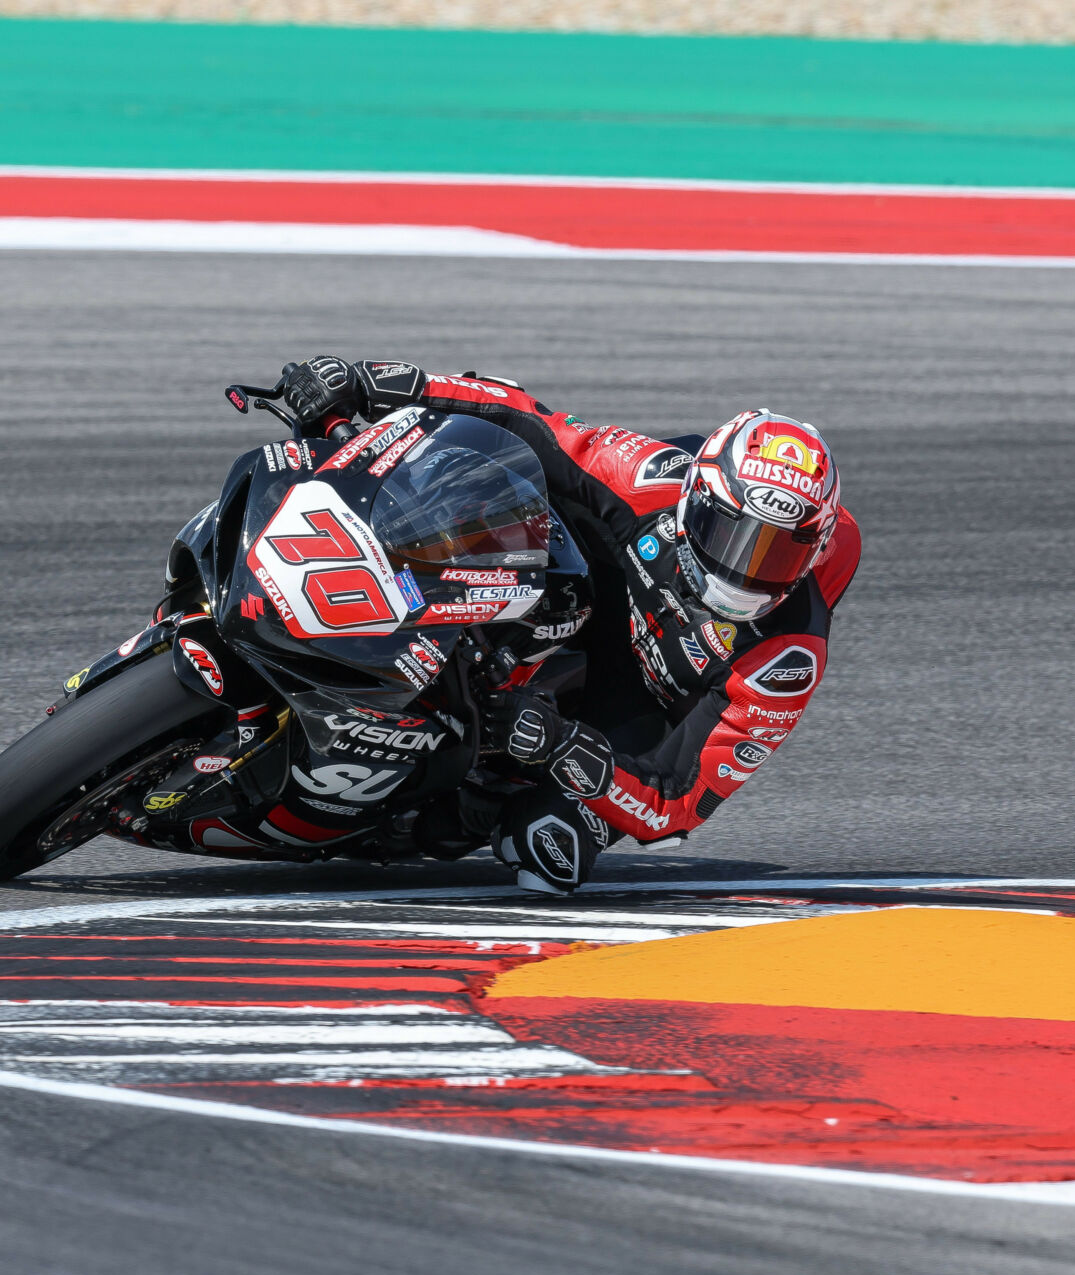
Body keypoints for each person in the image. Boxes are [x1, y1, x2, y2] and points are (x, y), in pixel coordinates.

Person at [279, 356, 861, 895]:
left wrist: (560, 743)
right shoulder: (652, 479)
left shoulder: (786, 658)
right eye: (731, 535)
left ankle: (434, 811)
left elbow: (677, 800)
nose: (743, 568)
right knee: (477, 487)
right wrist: (374, 382)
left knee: (544, 847)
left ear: (813, 552)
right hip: (590, 588)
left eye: (775, 554)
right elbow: (530, 420)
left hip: (641, 709)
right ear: (695, 501)